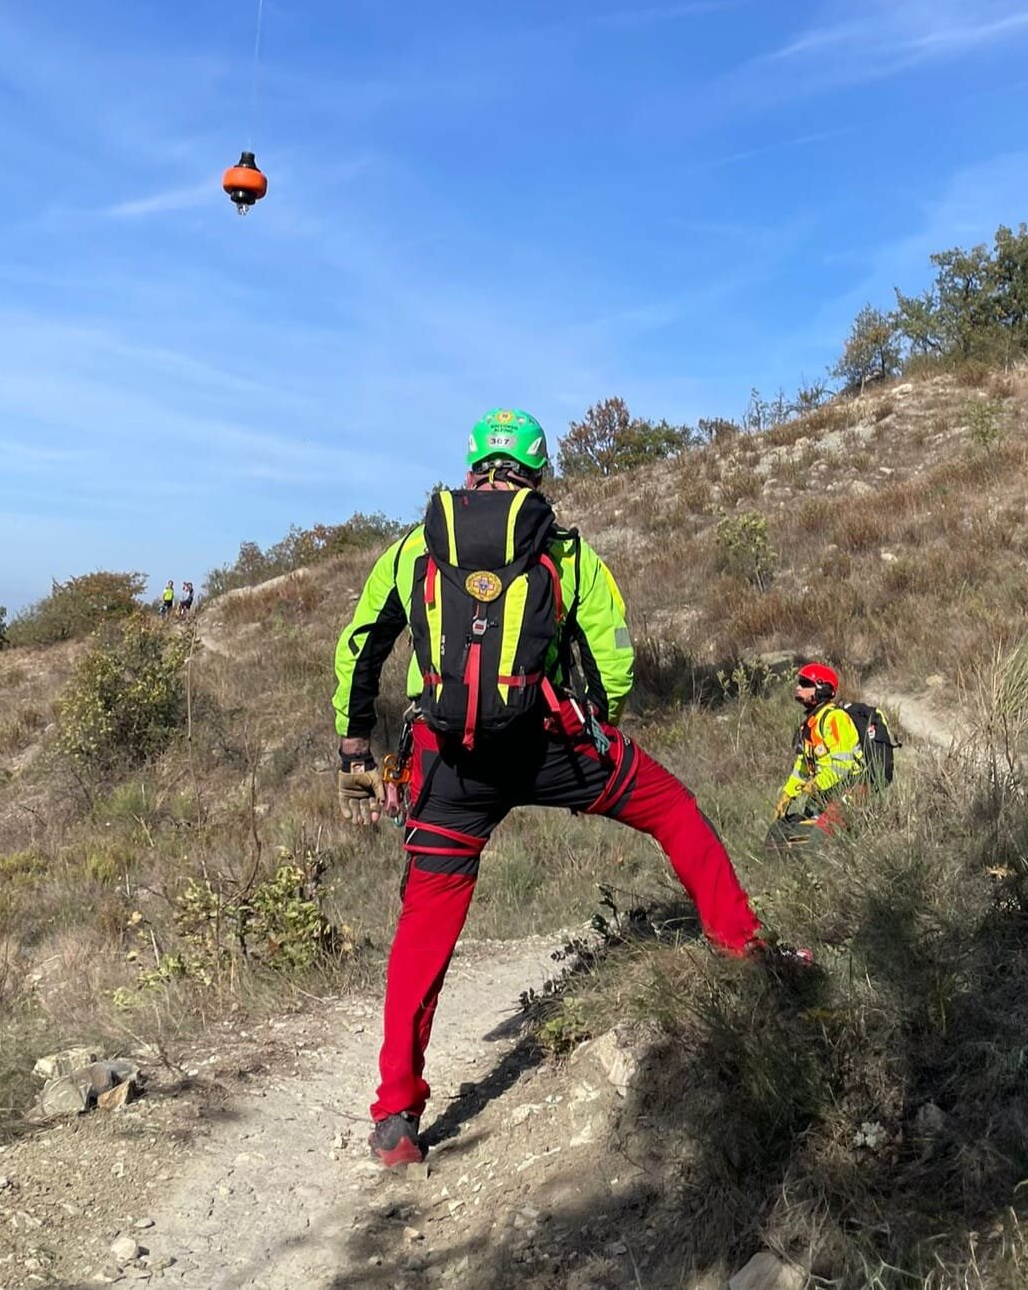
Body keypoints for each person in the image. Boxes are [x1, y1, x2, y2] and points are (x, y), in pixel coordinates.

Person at [332, 407, 767, 1167]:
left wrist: (353, 741)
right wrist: (599, 731)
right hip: (552, 744)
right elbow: (613, 654)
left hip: (446, 762)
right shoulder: (564, 550)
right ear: (538, 471)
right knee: (671, 807)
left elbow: (360, 642)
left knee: (425, 927)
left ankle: (397, 1113)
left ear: (471, 465)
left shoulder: (415, 545)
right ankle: (742, 943)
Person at [769, 663, 868, 846]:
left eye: (806, 684)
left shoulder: (835, 719)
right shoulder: (810, 724)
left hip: (851, 790)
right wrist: (787, 795)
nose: (798, 687)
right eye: (800, 683)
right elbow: (801, 770)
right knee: (777, 835)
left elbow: (842, 766)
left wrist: (814, 786)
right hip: (823, 793)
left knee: (816, 842)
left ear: (823, 689)